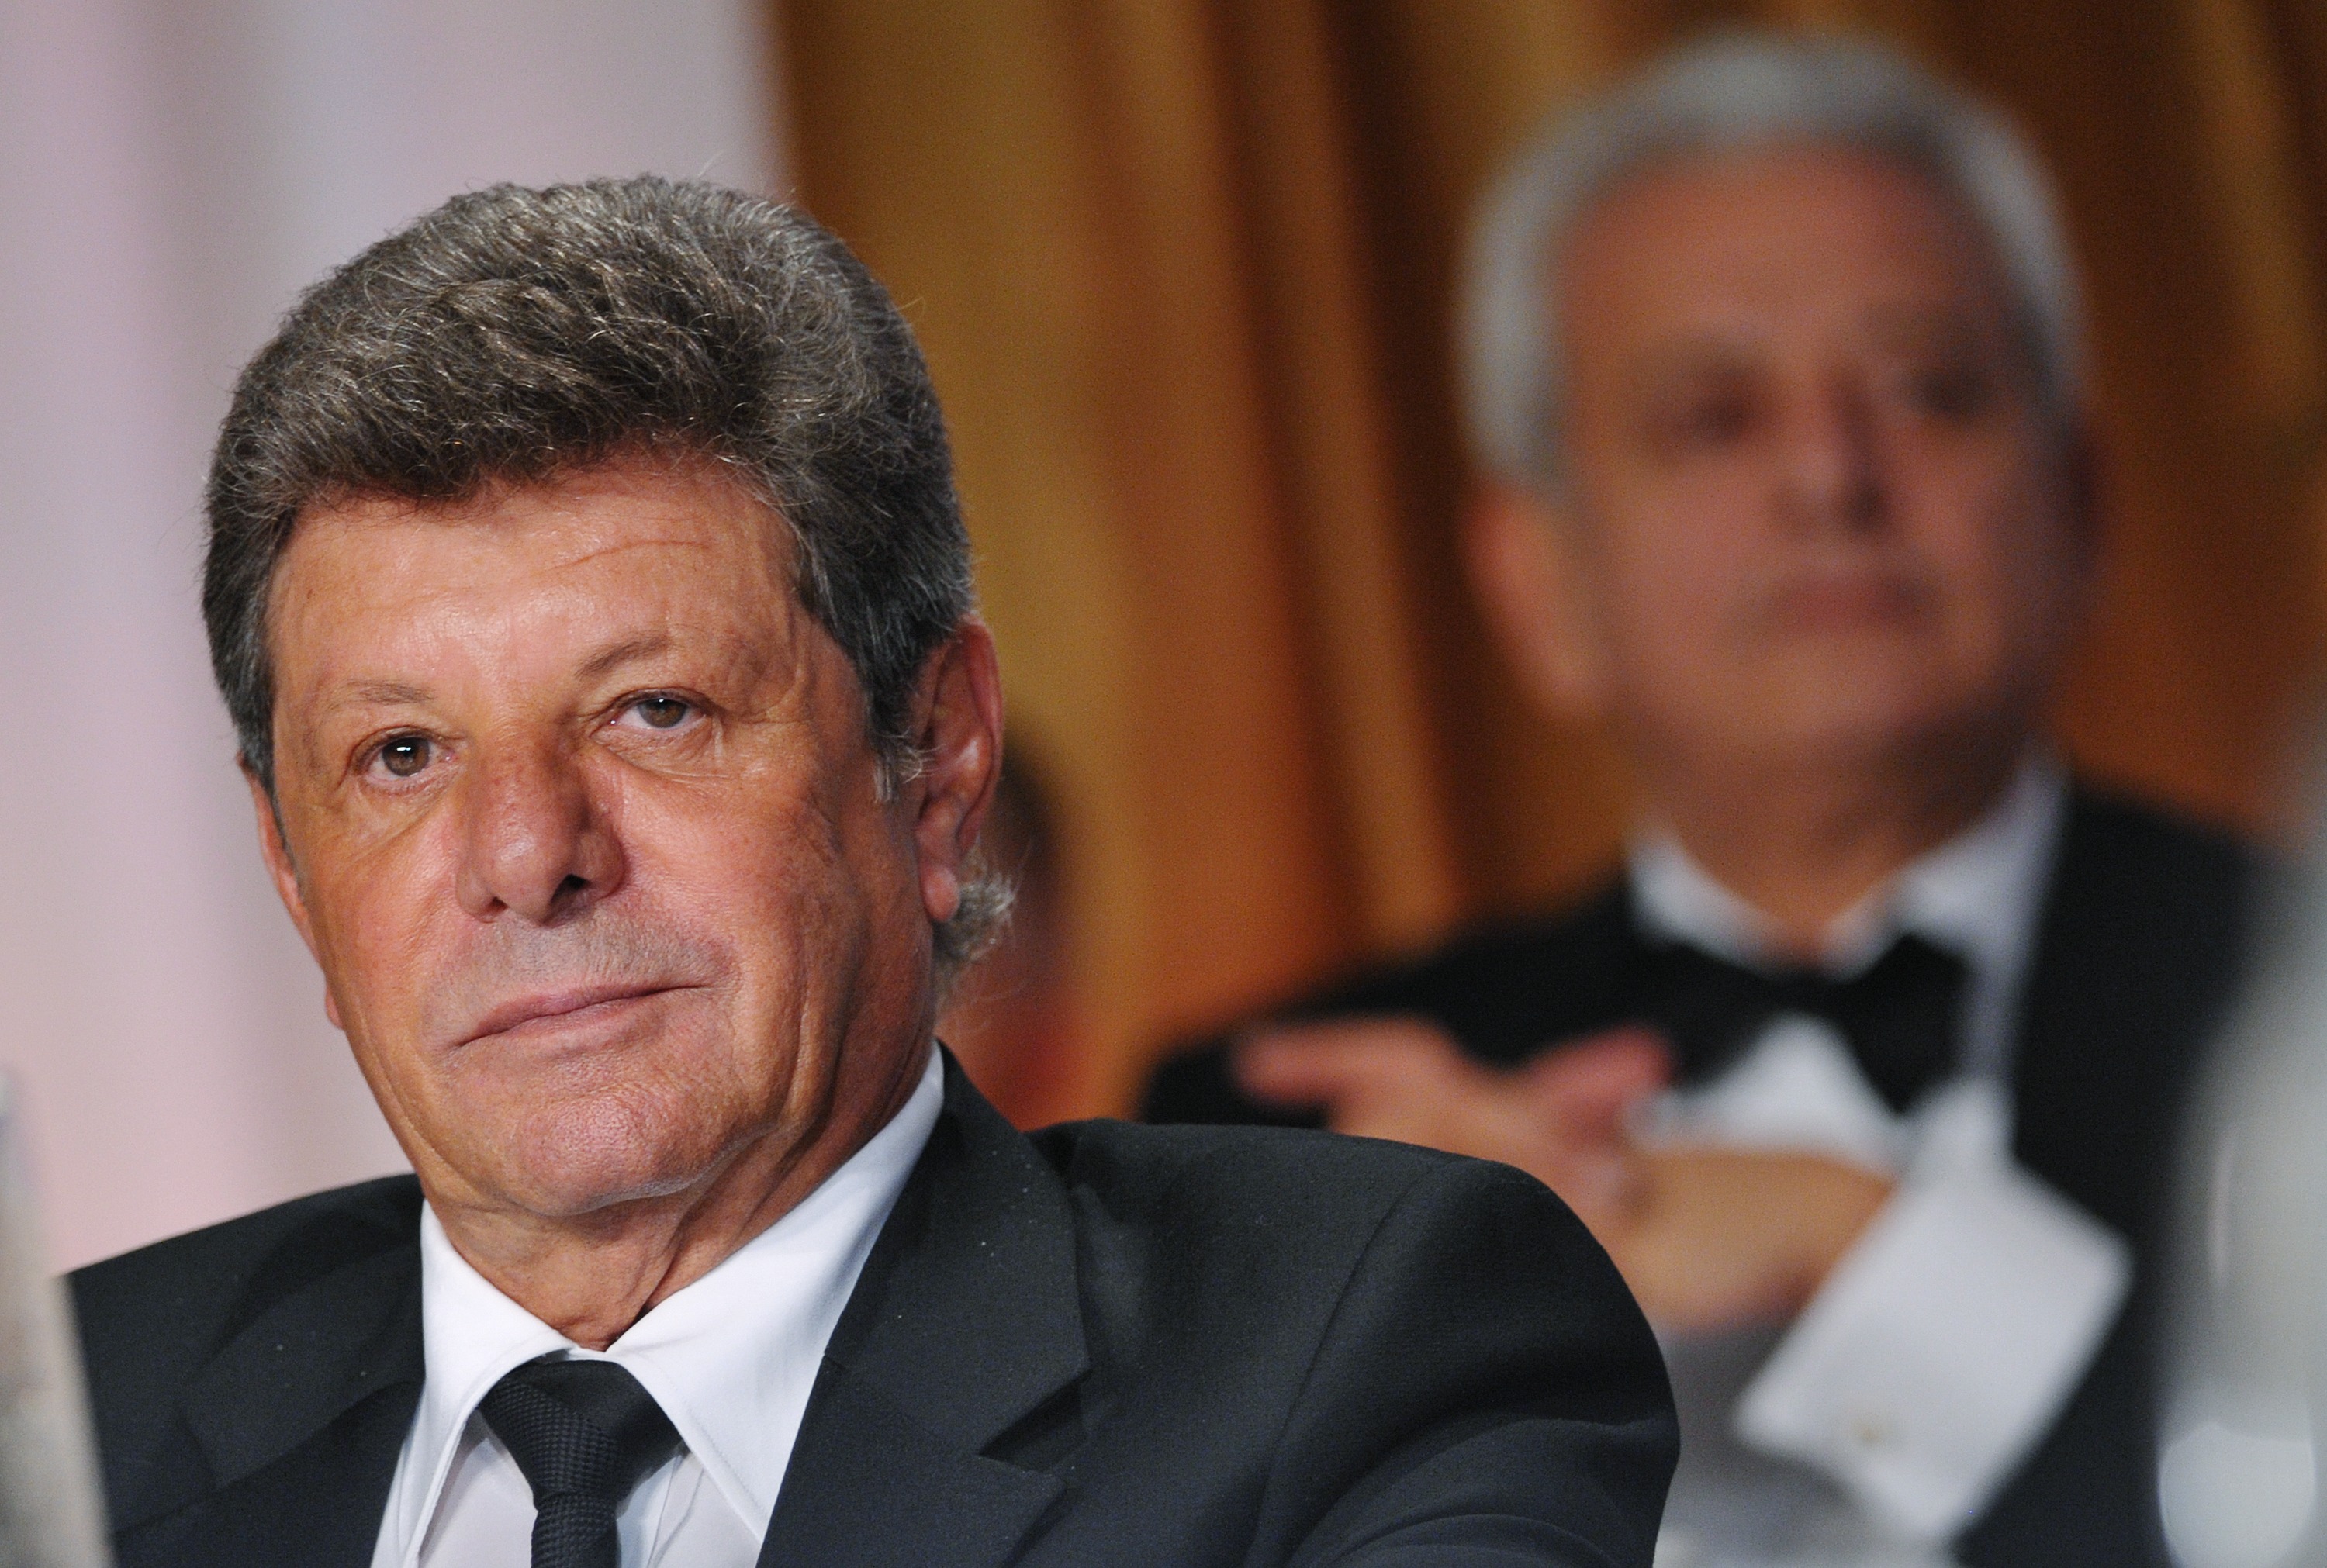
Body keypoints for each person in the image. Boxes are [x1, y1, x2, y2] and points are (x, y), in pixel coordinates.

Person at [64, 178, 1673, 1568]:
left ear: (937, 764)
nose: (528, 857)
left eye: (654, 710)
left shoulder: (1356, 1343)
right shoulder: (69, 1422)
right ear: (288, 864)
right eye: (402, 756)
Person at [1144, 33, 2256, 1568]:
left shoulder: (2302, 1002)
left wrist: (1866, 1249)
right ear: (1539, 587)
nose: (1831, 476)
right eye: (1713, 417)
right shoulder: (1278, 1149)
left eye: (1928, 389)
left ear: (2081, 502)